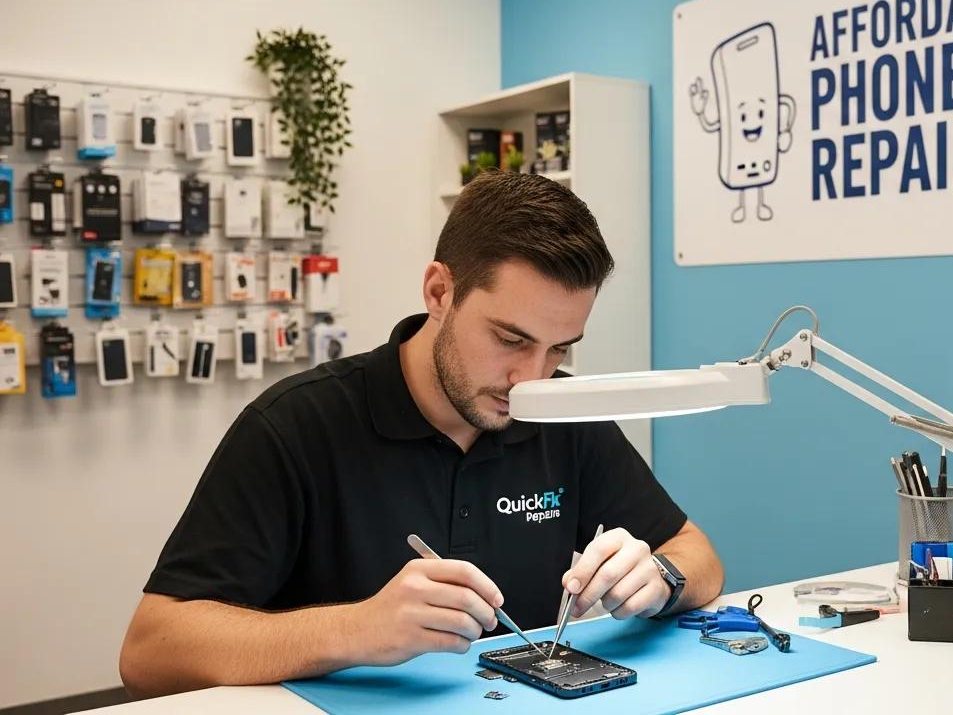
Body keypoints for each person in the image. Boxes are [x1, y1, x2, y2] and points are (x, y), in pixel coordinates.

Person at [118, 171, 724, 698]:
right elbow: (150, 655)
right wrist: (356, 629)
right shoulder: (296, 427)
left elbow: (698, 555)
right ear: (440, 292)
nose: (532, 378)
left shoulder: (559, 414)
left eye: (560, 347)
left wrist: (662, 578)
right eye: (511, 339)